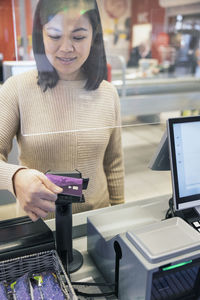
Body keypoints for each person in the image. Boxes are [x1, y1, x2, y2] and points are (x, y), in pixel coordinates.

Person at [0, 0, 124, 221]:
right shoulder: (16, 89)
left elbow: (113, 164)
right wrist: (15, 177)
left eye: (78, 37)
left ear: (94, 36)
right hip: (42, 225)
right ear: (41, 36)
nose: (66, 48)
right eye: (55, 36)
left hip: (99, 221)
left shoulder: (108, 93)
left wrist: (120, 217)